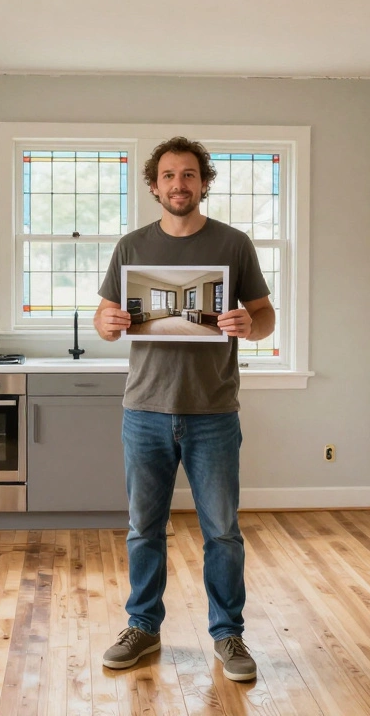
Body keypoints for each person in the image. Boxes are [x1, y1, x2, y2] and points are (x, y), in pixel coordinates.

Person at [92, 136, 275, 682]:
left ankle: (228, 634)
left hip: (214, 412)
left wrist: (250, 324)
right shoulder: (131, 247)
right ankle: (142, 627)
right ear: (154, 185)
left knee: (222, 530)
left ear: (203, 182)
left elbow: (265, 316)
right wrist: (107, 325)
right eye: (169, 175)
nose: (179, 184)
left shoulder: (233, 244)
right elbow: (105, 320)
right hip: (143, 410)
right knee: (143, 529)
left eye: (189, 175)